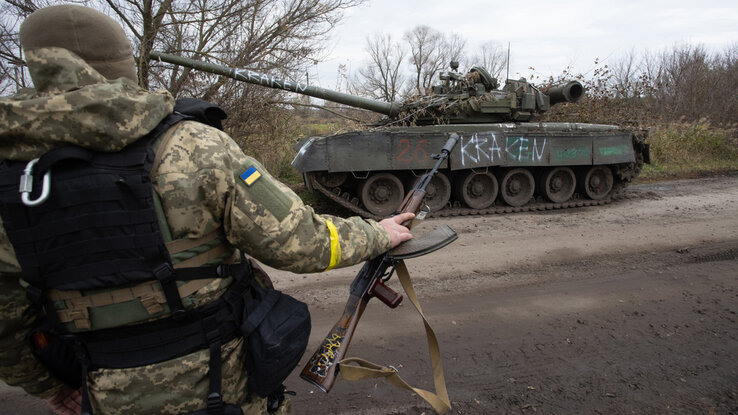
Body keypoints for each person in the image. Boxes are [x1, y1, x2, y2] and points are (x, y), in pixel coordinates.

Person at [0, 4, 413, 415]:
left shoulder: (9, 174)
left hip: (102, 388)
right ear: (123, 65)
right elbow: (302, 243)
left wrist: (51, 386)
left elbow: (6, 320)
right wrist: (378, 233)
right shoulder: (193, 145)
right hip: (220, 383)